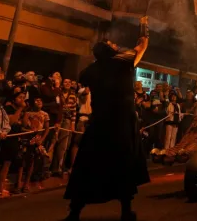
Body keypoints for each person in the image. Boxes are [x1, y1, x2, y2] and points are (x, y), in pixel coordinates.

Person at [64, 17, 150, 221]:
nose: (115, 43)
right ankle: (126, 211)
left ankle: (74, 212)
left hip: (100, 125)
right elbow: (142, 46)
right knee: (123, 165)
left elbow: (84, 76)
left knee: (88, 166)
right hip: (121, 123)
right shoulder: (121, 61)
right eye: (111, 44)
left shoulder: (92, 70)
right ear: (109, 51)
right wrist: (144, 26)